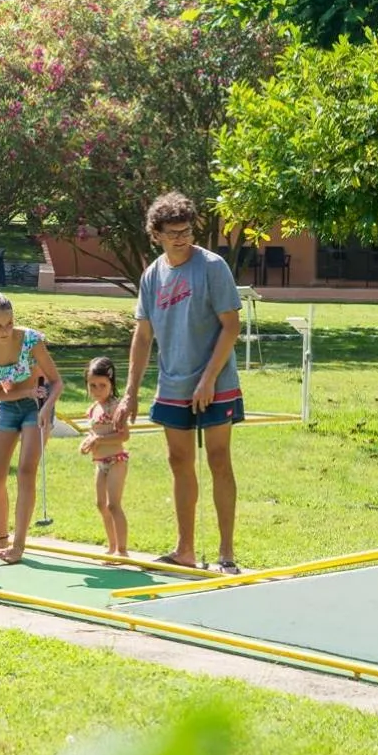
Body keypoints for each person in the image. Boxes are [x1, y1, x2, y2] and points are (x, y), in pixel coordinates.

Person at [118, 191, 244, 573]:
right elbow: (142, 336)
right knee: (179, 461)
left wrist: (208, 379)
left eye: (186, 230)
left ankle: (226, 555)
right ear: (156, 233)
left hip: (216, 381)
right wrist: (130, 393)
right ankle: (185, 550)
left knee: (219, 460)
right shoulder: (152, 275)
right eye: (172, 232)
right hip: (173, 383)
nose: (181, 238)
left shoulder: (212, 267)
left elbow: (231, 326)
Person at [0, 293, 62, 564]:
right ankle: (0, 539)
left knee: (25, 471)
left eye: (9, 323)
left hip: (38, 407)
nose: (6, 330)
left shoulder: (31, 340)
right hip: (9, 406)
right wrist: (25, 391)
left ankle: (18, 546)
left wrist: (45, 407)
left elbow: (56, 382)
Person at [79, 356, 131, 557]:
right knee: (101, 504)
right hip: (100, 462)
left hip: (116, 459)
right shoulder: (93, 409)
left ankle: (122, 550)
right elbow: (95, 433)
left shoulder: (115, 407)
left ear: (111, 383)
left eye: (102, 385)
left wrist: (98, 440)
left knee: (113, 504)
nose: (97, 390)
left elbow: (123, 435)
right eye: (92, 386)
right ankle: (111, 546)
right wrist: (88, 441)